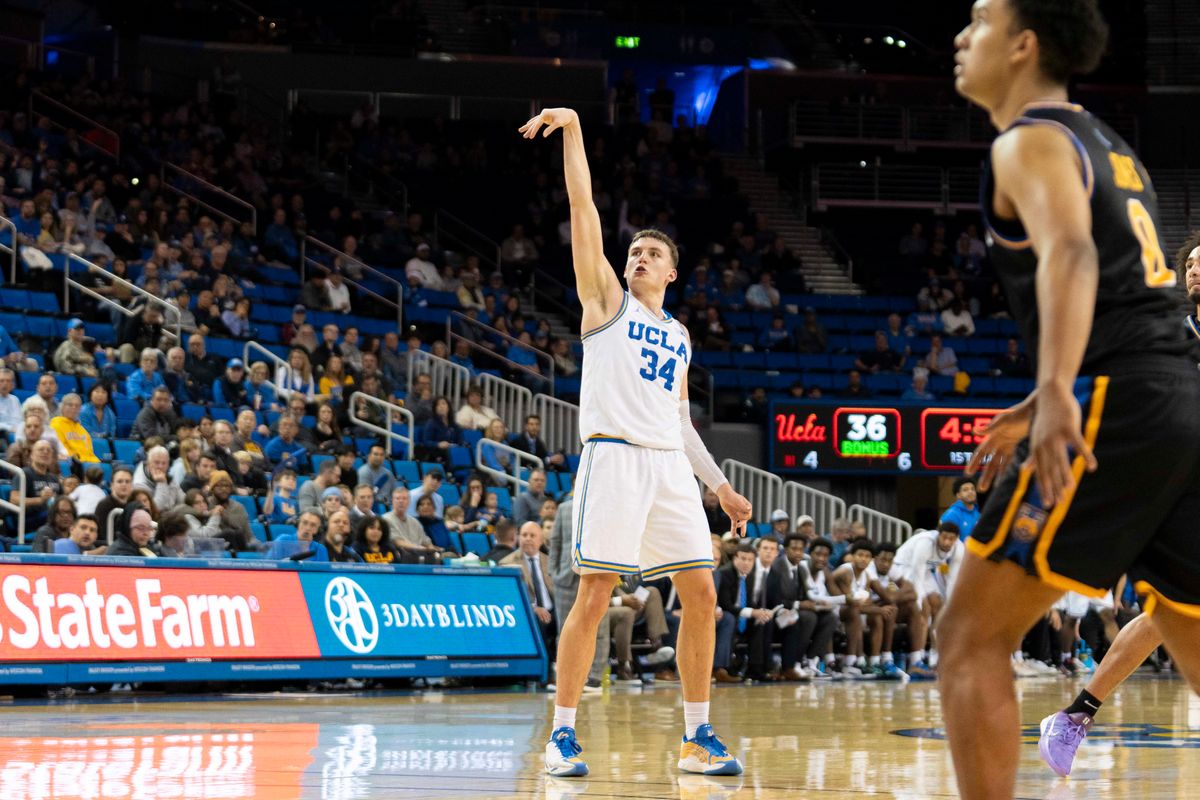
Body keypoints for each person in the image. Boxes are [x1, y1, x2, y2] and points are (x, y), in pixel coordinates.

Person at [940, 4, 1200, 798]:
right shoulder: (1110, 147)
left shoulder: (1027, 139)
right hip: (1182, 395)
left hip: (1122, 401)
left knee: (968, 639)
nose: (961, 37)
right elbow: (1133, 298)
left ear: (1024, 45)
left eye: (979, 23)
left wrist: (1059, 390)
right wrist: (1044, 393)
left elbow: (1076, 253)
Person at [521, 106, 753, 779]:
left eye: (652, 253)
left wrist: (720, 485)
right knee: (594, 595)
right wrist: (573, 129)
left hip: (668, 469)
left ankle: (697, 738)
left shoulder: (679, 336)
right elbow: (583, 204)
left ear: (671, 273)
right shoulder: (605, 303)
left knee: (702, 595)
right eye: (635, 252)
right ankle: (561, 735)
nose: (639, 257)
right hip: (615, 458)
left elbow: (680, 424)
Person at [1036, 232, 1200, 776]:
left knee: (1166, 615)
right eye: (1192, 264)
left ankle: (1076, 714)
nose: (1197, 271)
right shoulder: (1167, 334)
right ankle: (1077, 714)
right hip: (1164, 484)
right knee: (1163, 612)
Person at [500, 522, 557, 657]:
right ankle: (545, 670)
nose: (528, 538)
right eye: (524, 535)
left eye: (532, 535)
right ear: (518, 538)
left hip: (555, 610)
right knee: (538, 620)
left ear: (541, 541)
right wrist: (534, 608)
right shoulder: (507, 563)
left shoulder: (550, 562)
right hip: (530, 612)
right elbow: (510, 597)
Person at [50, 392, 99, 463]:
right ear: (62, 407)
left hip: (89, 463)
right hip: (73, 464)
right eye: (70, 405)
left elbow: (90, 453)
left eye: (77, 406)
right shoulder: (56, 425)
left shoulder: (82, 430)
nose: (74, 408)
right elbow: (62, 451)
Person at [95, 466, 134, 543]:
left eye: (127, 481)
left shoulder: (133, 504)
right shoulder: (104, 505)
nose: (124, 484)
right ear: (112, 485)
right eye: (120, 481)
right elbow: (104, 536)